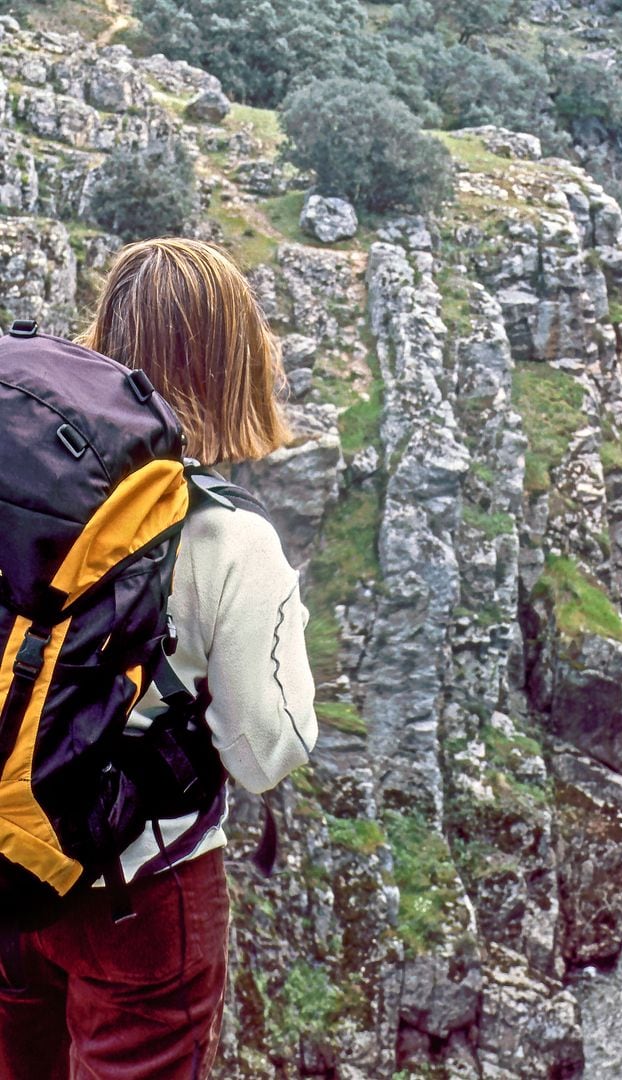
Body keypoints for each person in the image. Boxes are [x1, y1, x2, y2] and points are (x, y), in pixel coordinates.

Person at [0, 238, 318, 1079]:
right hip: (141, 895)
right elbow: (266, 750)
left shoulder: (22, 492)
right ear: (234, 363)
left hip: (10, 865)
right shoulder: (230, 537)